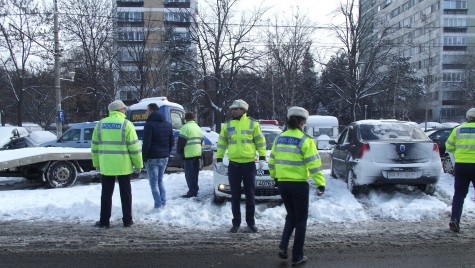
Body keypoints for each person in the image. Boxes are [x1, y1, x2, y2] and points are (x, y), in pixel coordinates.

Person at [269, 107, 326, 265]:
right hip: (299, 185)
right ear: (302, 122)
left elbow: (272, 161)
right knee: (300, 220)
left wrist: (275, 177)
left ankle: (283, 246)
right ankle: (297, 256)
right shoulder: (305, 140)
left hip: (282, 183)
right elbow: (314, 165)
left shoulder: (279, 138)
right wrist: (320, 184)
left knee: (291, 216)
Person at [216, 99, 266, 233]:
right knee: (235, 196)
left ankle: (251, 223)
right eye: (232, 109)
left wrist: (262, 157)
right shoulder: (227, 125)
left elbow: (260, 141)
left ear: (243, 110)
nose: (233, 111)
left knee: (250, 195)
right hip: (234, 165)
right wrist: (219, 159)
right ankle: (236, 223)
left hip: (249, 164)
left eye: (236, 109)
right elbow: (221, 143)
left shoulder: (252, 124)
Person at [92, 100, 143, 228]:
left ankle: (104, 221)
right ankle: (127, 220)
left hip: (106, 166)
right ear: (119, 110)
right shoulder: (126, 124)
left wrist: (97, 164)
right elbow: (134, 147)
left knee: (106, 194)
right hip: (123, 166)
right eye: (124, 109)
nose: (125, 111)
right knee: (125, 194)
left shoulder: (100, 125)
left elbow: (95, 147)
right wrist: (138, 165)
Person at [446, 107, 475, 233]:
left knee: (459, 194)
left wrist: (459, 155)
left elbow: (449, 146)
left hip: (461, 165)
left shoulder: (457, 129)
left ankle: (455, 219)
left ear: (468, 117)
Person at [142, 103, 174, 210]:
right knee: (160, 181)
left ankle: (158, 205)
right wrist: (166, 153)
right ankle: (163, 203)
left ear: (151, 110)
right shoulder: (167, 124)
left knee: (153, 183)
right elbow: (171, 142)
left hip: (152, 158)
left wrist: (144, 158)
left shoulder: (149, 124)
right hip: (164, 157)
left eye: (146, 110)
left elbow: (146, 143)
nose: (145, 113)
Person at [177, 112, 203, 198]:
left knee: (189, 174)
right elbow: (201, 140)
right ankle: (195, 189)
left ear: (185, 119)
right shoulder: (198, 127)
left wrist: (179, 152)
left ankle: (192, 192)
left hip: (188, 154)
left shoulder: (185, 128)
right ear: (193, 118)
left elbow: (181, 142)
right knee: (195, 173)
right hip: (197, 153)